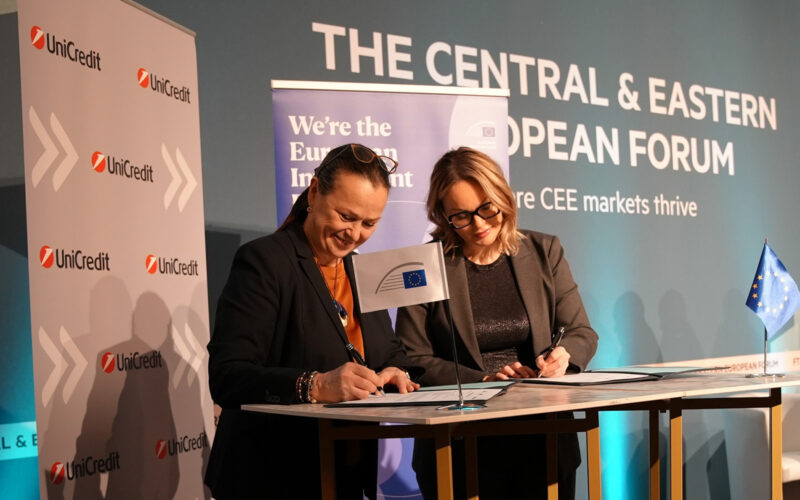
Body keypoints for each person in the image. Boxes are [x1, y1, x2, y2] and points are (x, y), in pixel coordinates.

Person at [205, 143, 420, 500]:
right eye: (346, 216)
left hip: (343, 475)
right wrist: (316, 385)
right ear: (315, 191)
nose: (355, 233)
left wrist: (396, 372)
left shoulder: (363, 271)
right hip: (272, 477)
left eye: (369, 223)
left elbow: (390, 354)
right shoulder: (264, 261)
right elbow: (228, 376)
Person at [395, 146, 598, 500]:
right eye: (461, 216)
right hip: (458, 443)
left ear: (502, 197)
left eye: (486, 208)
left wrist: (563, 356)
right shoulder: (422, 265)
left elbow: (581, 332)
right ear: (442, 215)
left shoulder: (544, 250)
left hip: (543, 438)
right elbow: (412, 358)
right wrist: (483, 381)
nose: (479, 224)